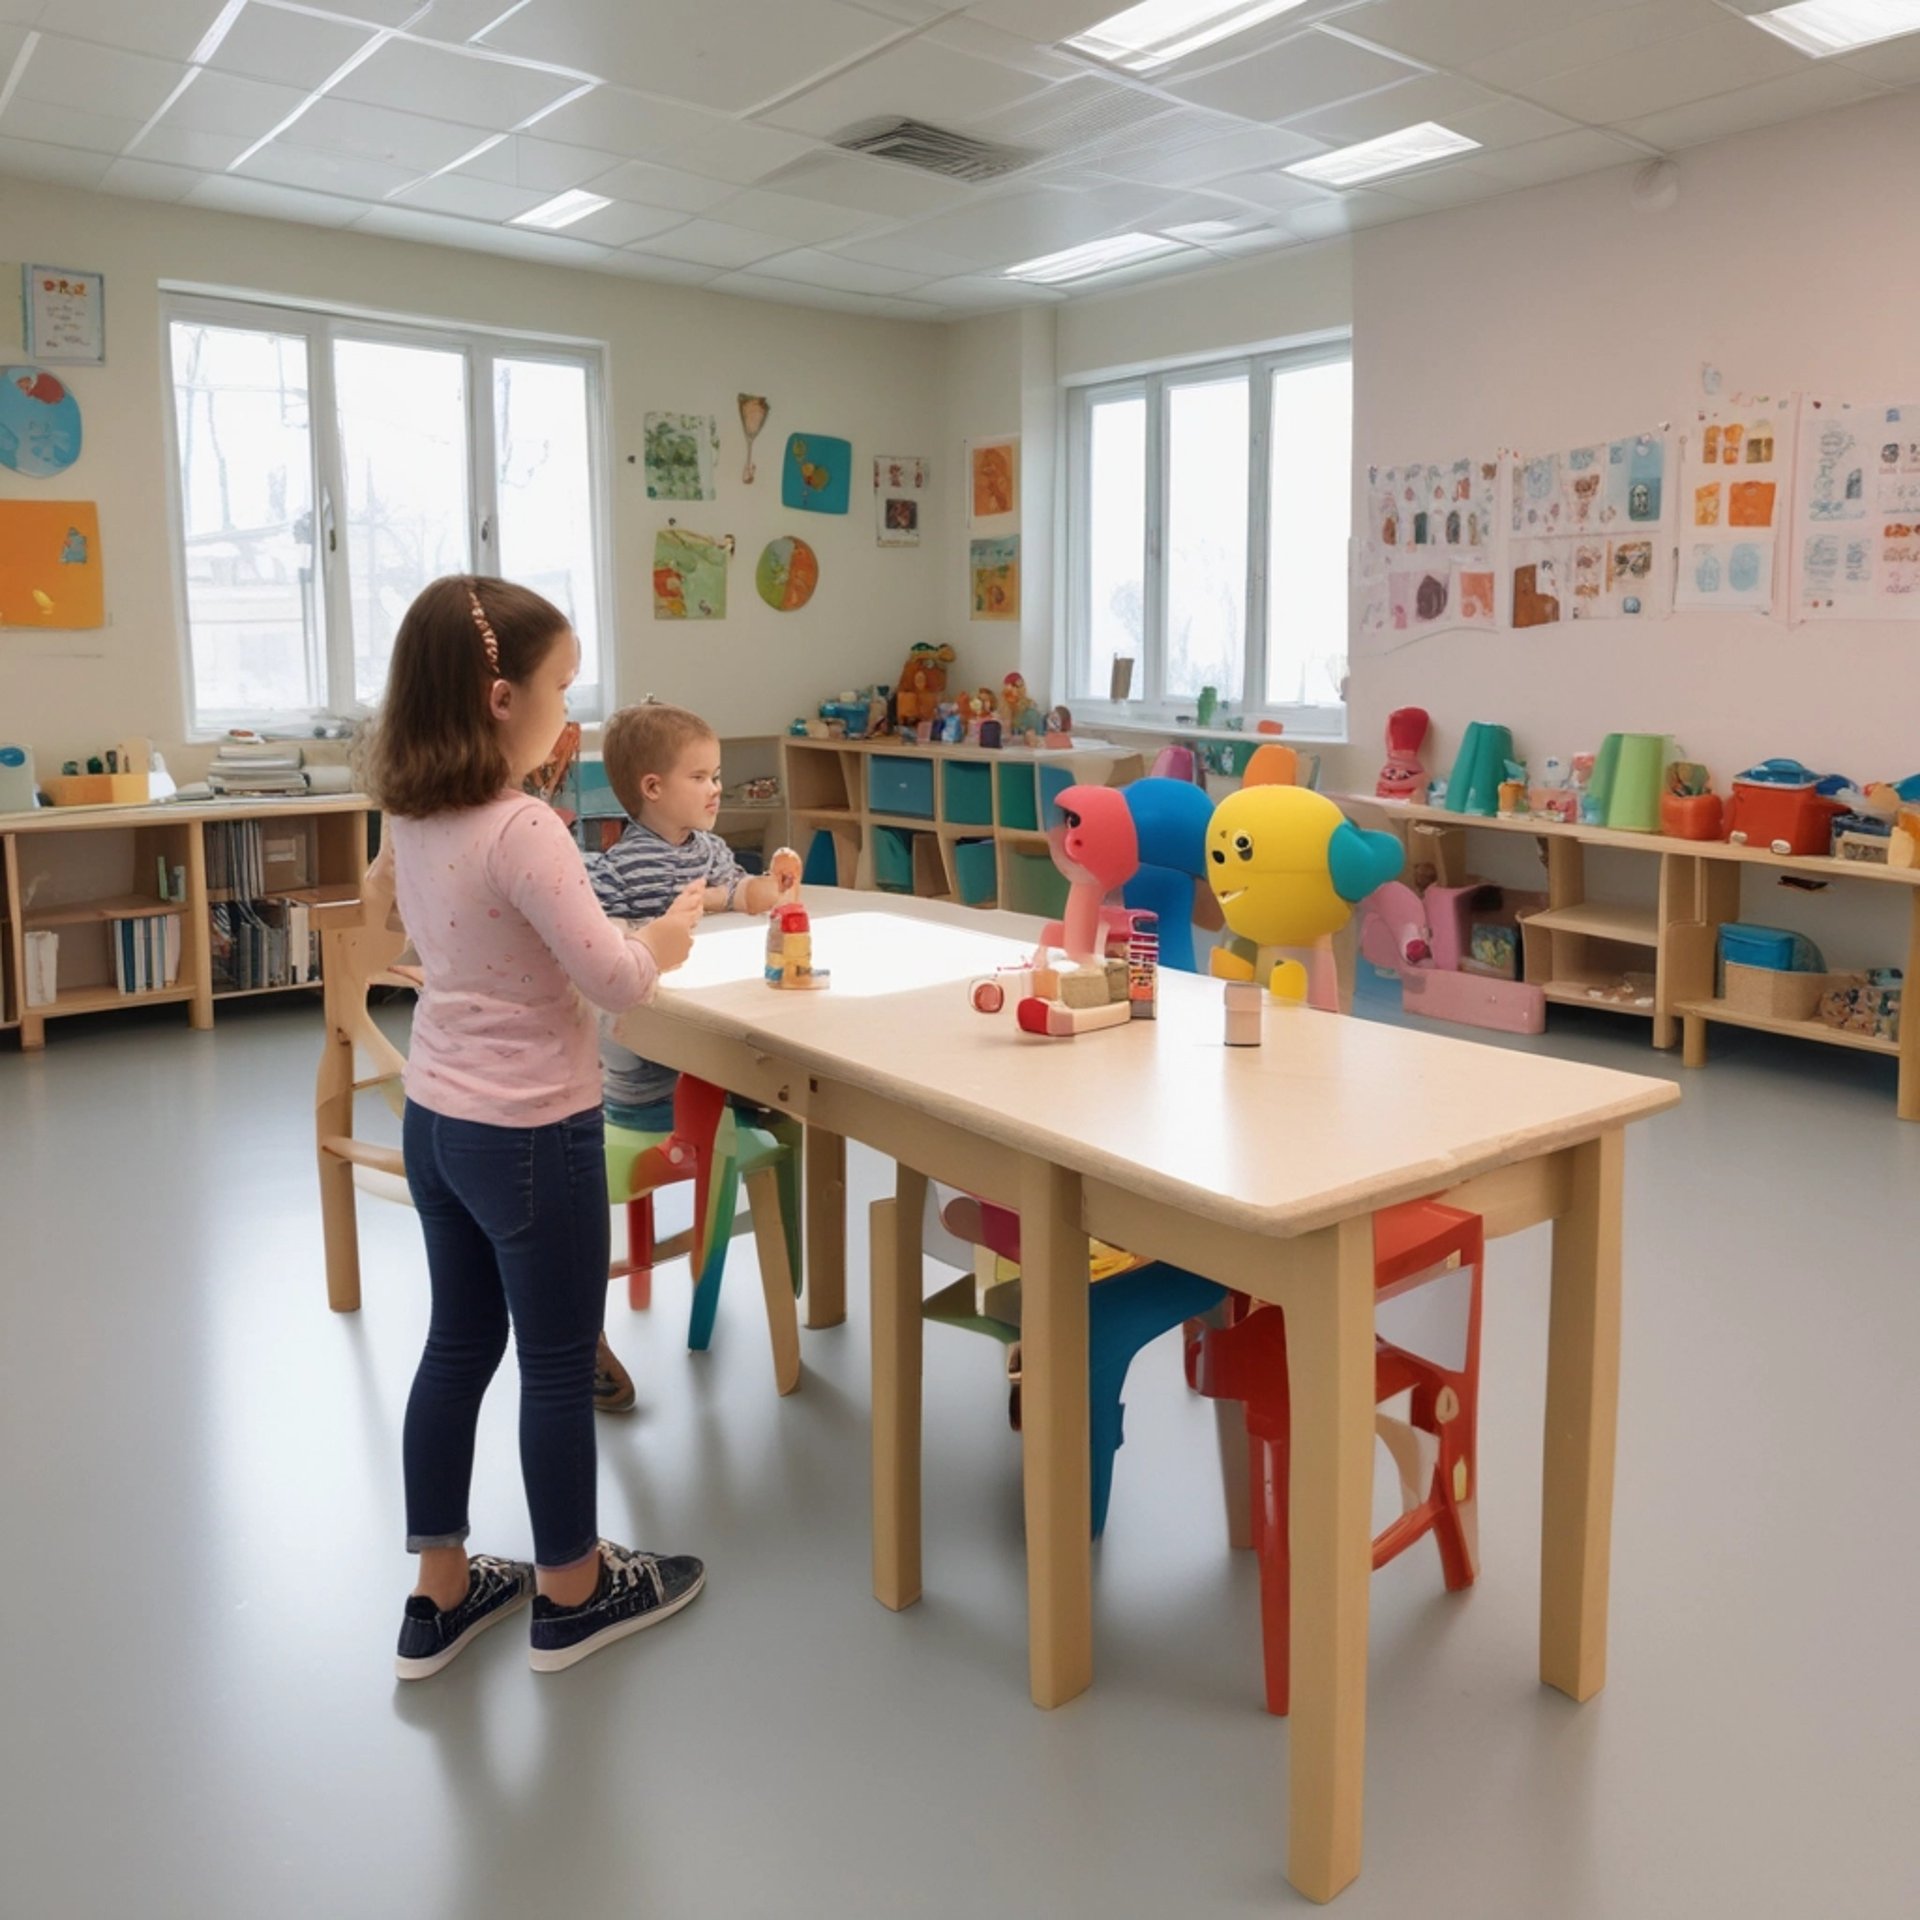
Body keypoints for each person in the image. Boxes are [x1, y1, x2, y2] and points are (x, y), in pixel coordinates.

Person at [366, 574, 706, 1678]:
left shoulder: (412, 811)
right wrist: (667, 939)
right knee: (558, 1363)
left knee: (457, 1345)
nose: (576, 713)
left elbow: (396, 918)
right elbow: (614, 979)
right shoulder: (523, 827)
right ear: (503, 697)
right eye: (564, 688)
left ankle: (441, 1591)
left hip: (439, 1120)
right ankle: (571, 1588)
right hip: (530, 1132)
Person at [586, 700, 794, 1413]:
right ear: (652, 788)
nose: (716, 789)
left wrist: (770, 888)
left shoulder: (707, 850)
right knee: (763, 1094)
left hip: (705, 1042)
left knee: (768, 1063)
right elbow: (606, 944)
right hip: (648, 1083)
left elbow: (740, 890)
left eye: (718, 775)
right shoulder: (619, 864)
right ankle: (733, 1118)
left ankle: (750, 1106)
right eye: (700, 776)